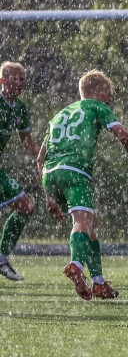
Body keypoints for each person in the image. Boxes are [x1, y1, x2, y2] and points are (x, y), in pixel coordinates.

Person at [38, 69, 128, 300]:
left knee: (91, 223)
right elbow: (123, 135)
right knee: (82, 221)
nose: (109, 99)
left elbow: (40, 158)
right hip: (75, 172)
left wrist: (49, 197)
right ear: (96, 91)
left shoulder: (59, 114)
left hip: (50, 174)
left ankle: (98, 283)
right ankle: (76, 266)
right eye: (107, 93)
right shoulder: (96, 107)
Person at [0, 62, 60, 281]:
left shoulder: (20, 108)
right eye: (15, 78)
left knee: (26, 206)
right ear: (2, 81)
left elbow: (26, 141)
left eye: (22, 79)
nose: (20, 83)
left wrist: (45, 156)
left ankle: (2, 258)